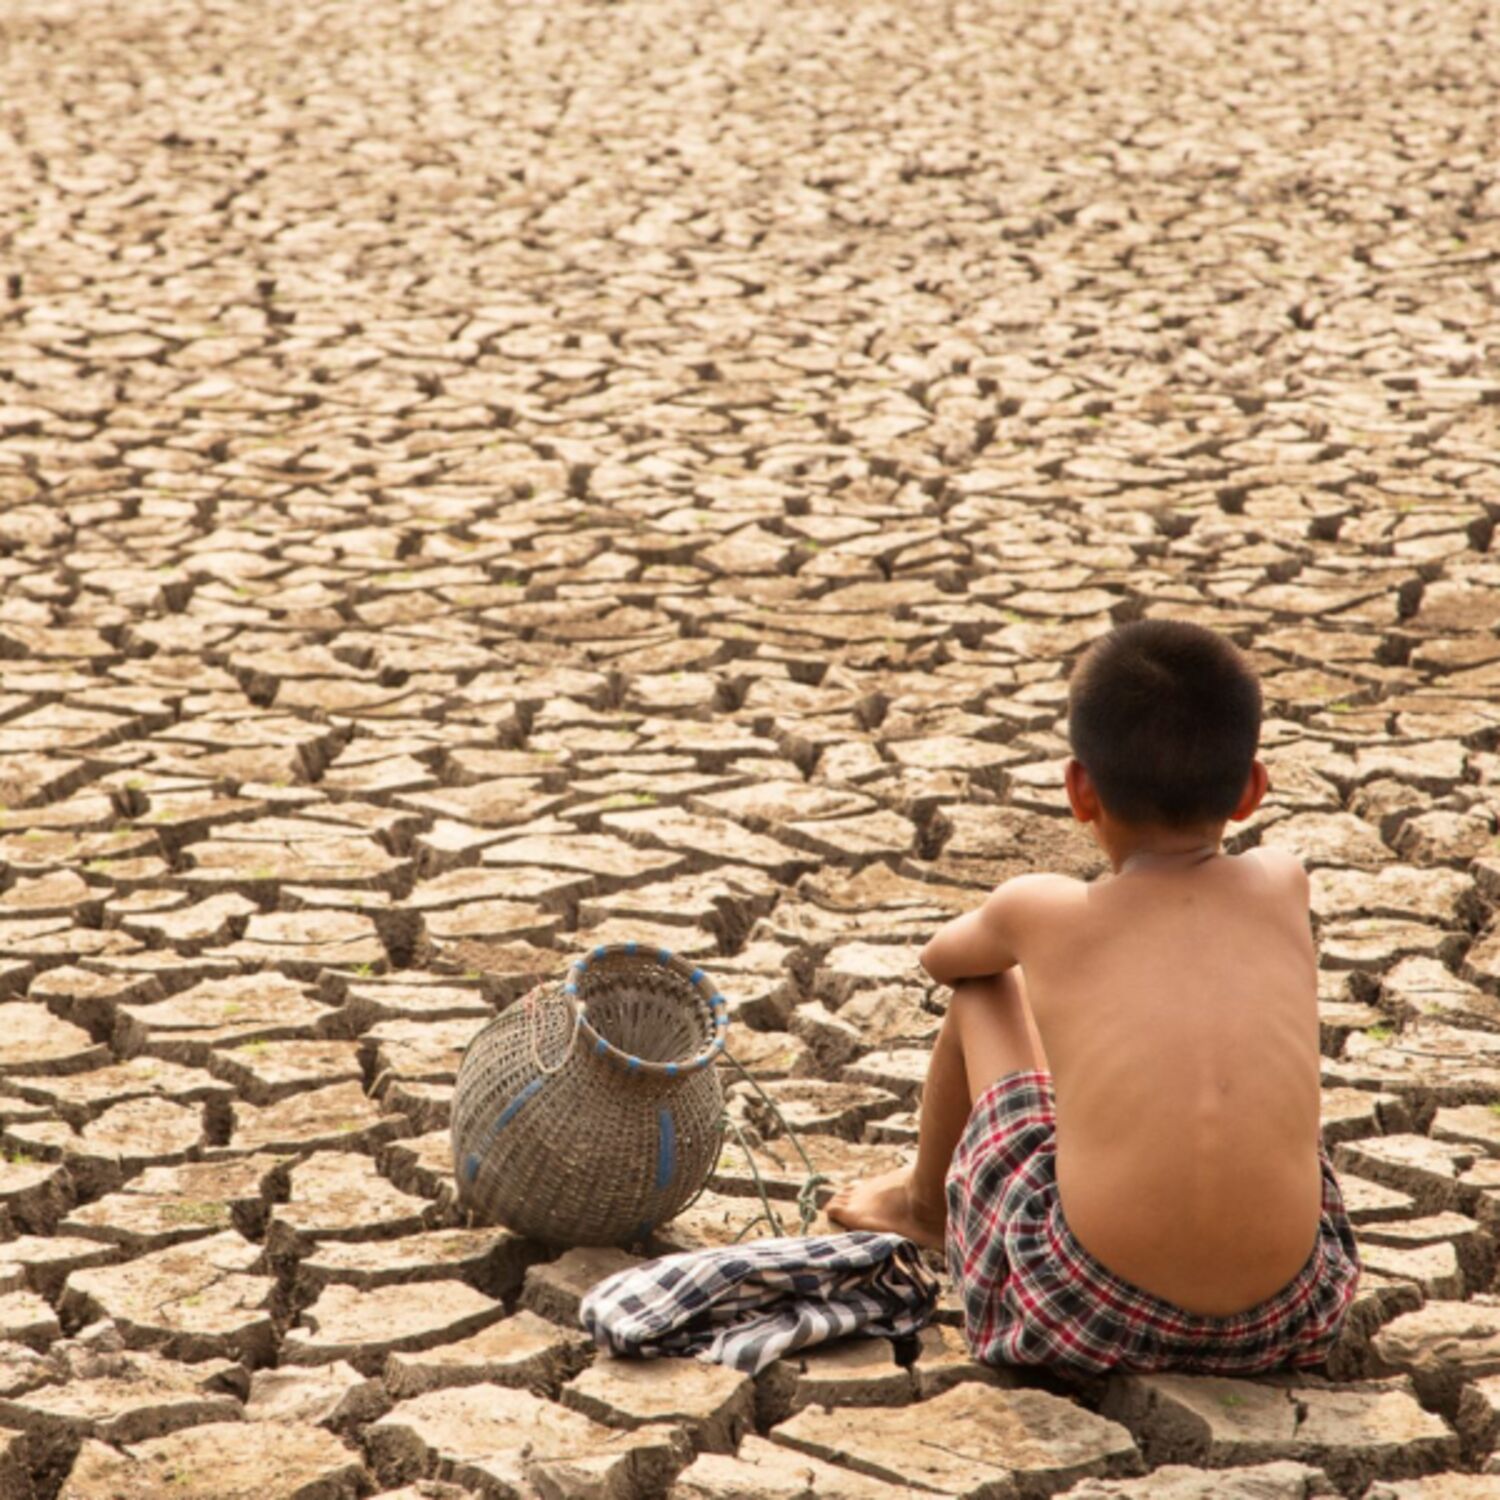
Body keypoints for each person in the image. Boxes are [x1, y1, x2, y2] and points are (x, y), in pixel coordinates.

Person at [828, 619, 1360, 1373]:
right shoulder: (1284, 882)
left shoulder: (1042, 910)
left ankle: (922, 1208)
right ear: (1251, 790)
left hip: (1082, 1310)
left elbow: (943, 959)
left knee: (984, 989)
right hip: (1290, 1315)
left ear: (1081, 789)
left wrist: (1032, 935)